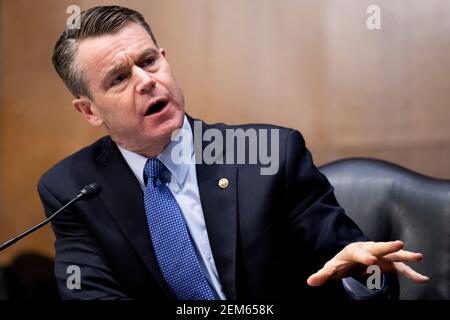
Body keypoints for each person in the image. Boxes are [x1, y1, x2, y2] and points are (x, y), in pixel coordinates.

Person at [38, 5, 428, 300]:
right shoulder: (71, 188)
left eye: (149, 61)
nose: (146, 81)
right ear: (89, 110)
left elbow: (354, 263)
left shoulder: (267, 154)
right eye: (119, 78)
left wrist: (364, 271)